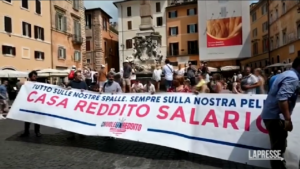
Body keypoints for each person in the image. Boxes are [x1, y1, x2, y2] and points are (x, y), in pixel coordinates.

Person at [261, 56, 300, 169]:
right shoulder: (292, 78)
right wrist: (287, 120)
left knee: (278, 147)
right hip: (276, 117)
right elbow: (282, 99)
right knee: (278, 148)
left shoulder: (287, 74)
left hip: (272, 115)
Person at [66, 71, 88, 140]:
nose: (80, 76)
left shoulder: (83, 83)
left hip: (81, 105)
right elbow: (65, 91)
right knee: (72, 120)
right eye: (78, 75)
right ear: (75, 77)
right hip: (72, 105)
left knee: (81, 119)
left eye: (80, 75)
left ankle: (81, 133)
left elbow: (88, 92)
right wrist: (68, 89)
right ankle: (71, 134)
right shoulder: (71, 83)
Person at [20, 71, 41, 137]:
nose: (35, 77)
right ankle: (26, 132)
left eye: (36, 76)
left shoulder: (39, 84)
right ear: (30, 77)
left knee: (37, 119)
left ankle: (37, 132)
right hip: (28, 105)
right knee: (27, 119)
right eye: (34, 76)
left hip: (36, 105)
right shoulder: (26, 84)